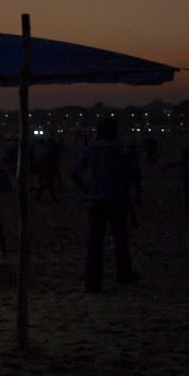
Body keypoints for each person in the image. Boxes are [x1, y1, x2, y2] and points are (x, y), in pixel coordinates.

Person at [71, 117, 140, 294]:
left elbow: (74, 172)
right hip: (116, 199)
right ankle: (123, 274)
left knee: (95, 244)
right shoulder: (117, 150)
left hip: (96, 201)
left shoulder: (91, 149)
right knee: (120, 240)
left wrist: (87, 189)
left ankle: (93, 283)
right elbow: (127, 175)